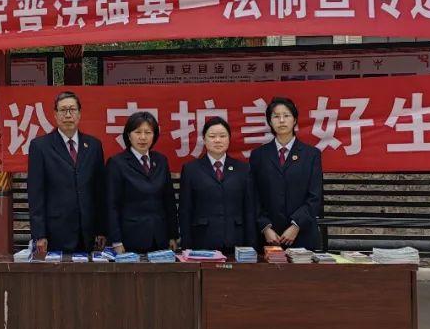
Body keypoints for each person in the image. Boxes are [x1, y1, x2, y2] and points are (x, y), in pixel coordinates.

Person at [250, 96, 324, 329]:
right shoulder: (259, 156)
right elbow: (253, 197)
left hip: (301, 236)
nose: (281, 120)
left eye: (286, 115)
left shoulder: (311, 154)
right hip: (270, 237)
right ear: (269, 122)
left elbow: (315, 197)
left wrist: (295, 225)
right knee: (274, 297)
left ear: (295, 120)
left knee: (300, 297)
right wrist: (265, 227)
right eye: (275, 116)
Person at [27, 91, 106, 255]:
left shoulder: (94, 145)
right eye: (63, 110)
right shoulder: (40, 146)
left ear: (79, 113)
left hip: (88, 232)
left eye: (72, 109)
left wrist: (101, 229)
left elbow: (99, 191)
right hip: (56, 232)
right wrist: (39, 235)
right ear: (55, 115)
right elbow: (36, 194)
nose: (68, 115)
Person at [179, 116, 257, 252]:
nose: (217, 140)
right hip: (202, 241)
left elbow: (249, 210)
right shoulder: (191, 169)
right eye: (212, 136)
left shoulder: (243, 169)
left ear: (229, 139)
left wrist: (251, 245)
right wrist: (186, 246)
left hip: (236, 240)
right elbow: (185, 210)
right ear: (204, 140)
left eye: (222, 136)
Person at [106, 111, 178, 255]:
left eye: (148, 132)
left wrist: (172, 235)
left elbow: (168, 200)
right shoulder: (117, 163)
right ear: (129, 135)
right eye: (138, 132)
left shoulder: (161, 160)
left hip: (159, 238)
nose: (143, 137)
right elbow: (111, 205)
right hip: (130, 238)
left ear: (154, 135)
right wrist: (116, 241)